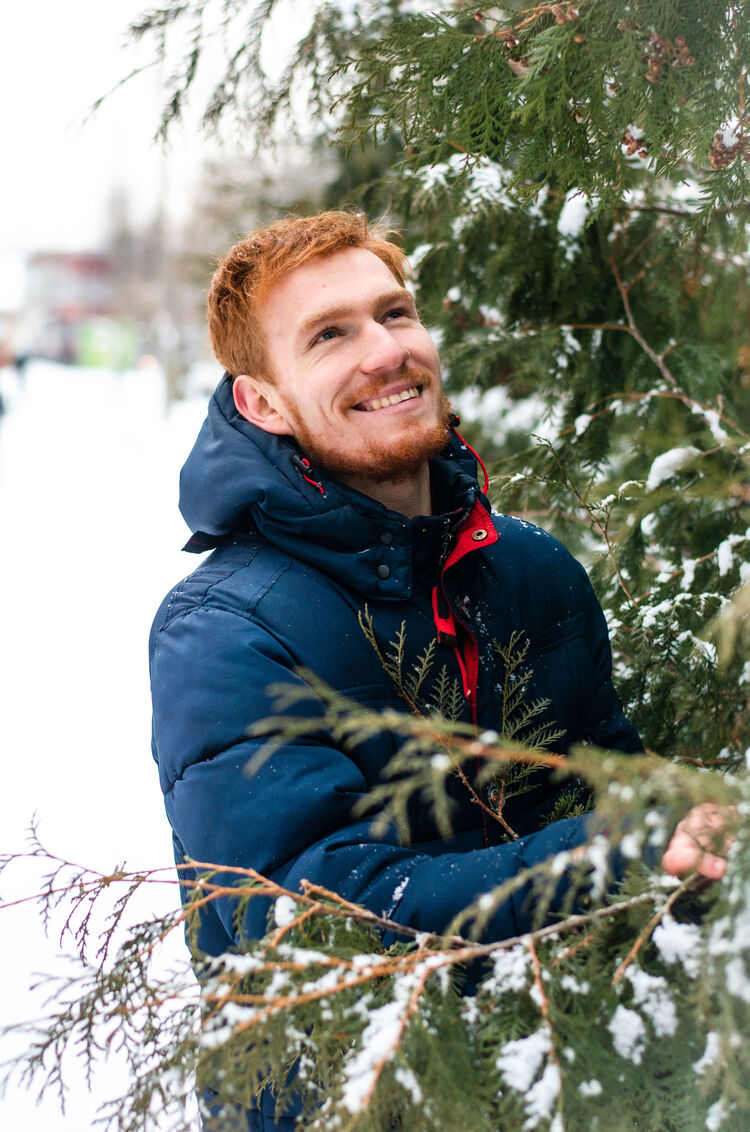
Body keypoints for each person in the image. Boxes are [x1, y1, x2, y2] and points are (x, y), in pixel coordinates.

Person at [149, 211, 731, 1131]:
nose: (387, 351)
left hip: (553, 1074)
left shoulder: (532, 568)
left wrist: (689, 828)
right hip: (356, 1101)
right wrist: (604, 858)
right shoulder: (223, 629)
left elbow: (605, 777)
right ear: (262, 402)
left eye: (395, 314)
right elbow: (312, 911)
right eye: (330, 335)